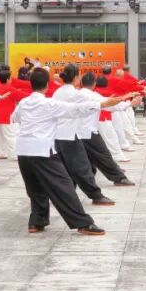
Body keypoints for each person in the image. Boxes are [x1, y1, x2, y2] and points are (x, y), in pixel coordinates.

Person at [14, 66, 127, 236]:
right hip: (42, 150)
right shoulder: (49, 104)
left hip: (23, 150)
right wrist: (102, 104)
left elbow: (15, 118)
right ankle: (82, 223)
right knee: (64, 187)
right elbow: (75, 109)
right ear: (47, 84)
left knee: (35, 188)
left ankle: (36, 222)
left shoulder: (24, 103)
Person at [53, 64, 118, 206]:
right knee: (82, 167)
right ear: (76, 77)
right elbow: (90, 105)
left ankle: (66, 196)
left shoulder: (58, 92)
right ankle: (96, 195)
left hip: (58, 136)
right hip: (70, 135)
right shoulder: (76, 94)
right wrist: (107, 103)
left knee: (67, 169)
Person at [79, 71, 138, 188]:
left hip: (77, 132)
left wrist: (125, 99)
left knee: (87, 158)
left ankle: (88, 179)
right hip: (88, 131)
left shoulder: (77, 94)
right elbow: (109, 104)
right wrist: (129, 103)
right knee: (103, 154)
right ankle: (119, 177)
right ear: (94, 83)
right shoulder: (92, 95)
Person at [0, 68, 28, 160]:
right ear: (7, 79)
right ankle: (14, 154)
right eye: (10, 78)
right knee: (11, 135)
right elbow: (20, 95)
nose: (11, 80)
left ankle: (1, 153)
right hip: (6, 115)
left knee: (0, 136)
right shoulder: (9, 88)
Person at [94, 76, 131, 163]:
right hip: (104, 116)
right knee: (111, 136)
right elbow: (116, 101)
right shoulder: (107, 91)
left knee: (107, 137)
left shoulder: (94, 92)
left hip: (98, 116)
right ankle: (116, 154)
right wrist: (127, 100)